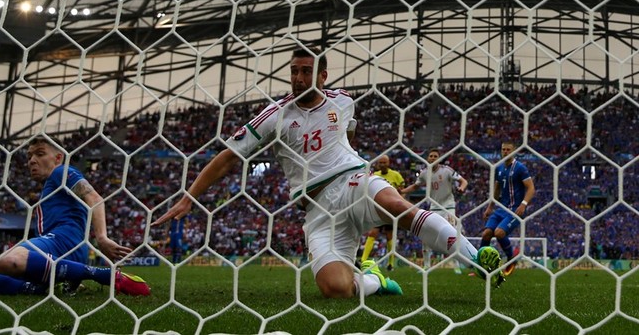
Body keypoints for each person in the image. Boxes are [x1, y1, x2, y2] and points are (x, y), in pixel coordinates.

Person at [153, 48, 504, 299]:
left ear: (322, 75)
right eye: (294, 71)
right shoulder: (276, 115)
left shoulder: (342, 100)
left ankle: (477, 259)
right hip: (317, 212)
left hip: (351, 182)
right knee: (335, 289)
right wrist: (189, 196)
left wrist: (354, 162)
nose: (298, 78)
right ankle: (374, 280)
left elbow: (348, 134)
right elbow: (228, 157)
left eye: (306, 71)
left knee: (396, 203)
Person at [0, 137, 150, 296]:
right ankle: (37, 288)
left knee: (9, 260)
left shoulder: (61, 172)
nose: (32, 160)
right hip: (48, 257)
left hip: (65, 244)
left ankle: (104, 275)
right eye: (29, 156)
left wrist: (102, 238)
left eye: (40, 154)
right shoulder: (48, 190)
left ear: (58, 157)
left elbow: (94, 197)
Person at [400, 148, 468, 274]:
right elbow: (416, 186)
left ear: (439, 158)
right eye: (430, 156)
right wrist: (403, 191)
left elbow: (463, 181)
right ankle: (426, 266)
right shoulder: (424, 173)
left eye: (435, 156)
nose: (432, 158)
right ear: (427, 158)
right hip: (434, 207)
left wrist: (462, 188)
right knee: (426, 234)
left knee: (452, 234)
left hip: (448, 206)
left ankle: (456, 265)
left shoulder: (447, 170)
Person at [482, 141, 536, 276]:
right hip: (500, 209)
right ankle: (482, 263)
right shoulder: (499, 168)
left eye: (508, 150)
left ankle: (511, 259)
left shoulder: (520, 168)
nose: (505, 152)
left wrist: (523, 204)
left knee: (499, 233)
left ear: (514, 151)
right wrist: (490, 207)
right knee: (486, 234)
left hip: (514, 210)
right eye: (503, 149)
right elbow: (497, 188)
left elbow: (531, 188)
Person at [360, 154, 406, 271]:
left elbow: (403, 190)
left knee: (389, 236)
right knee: (372, 233)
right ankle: (363, 260)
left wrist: (401, 203)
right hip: (378, 210)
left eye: (384, 162)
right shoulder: (374, 176)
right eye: (380, 163)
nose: (382, 165)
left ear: (388, 163)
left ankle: (391, 264)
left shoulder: (396, 175)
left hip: (391, 211)